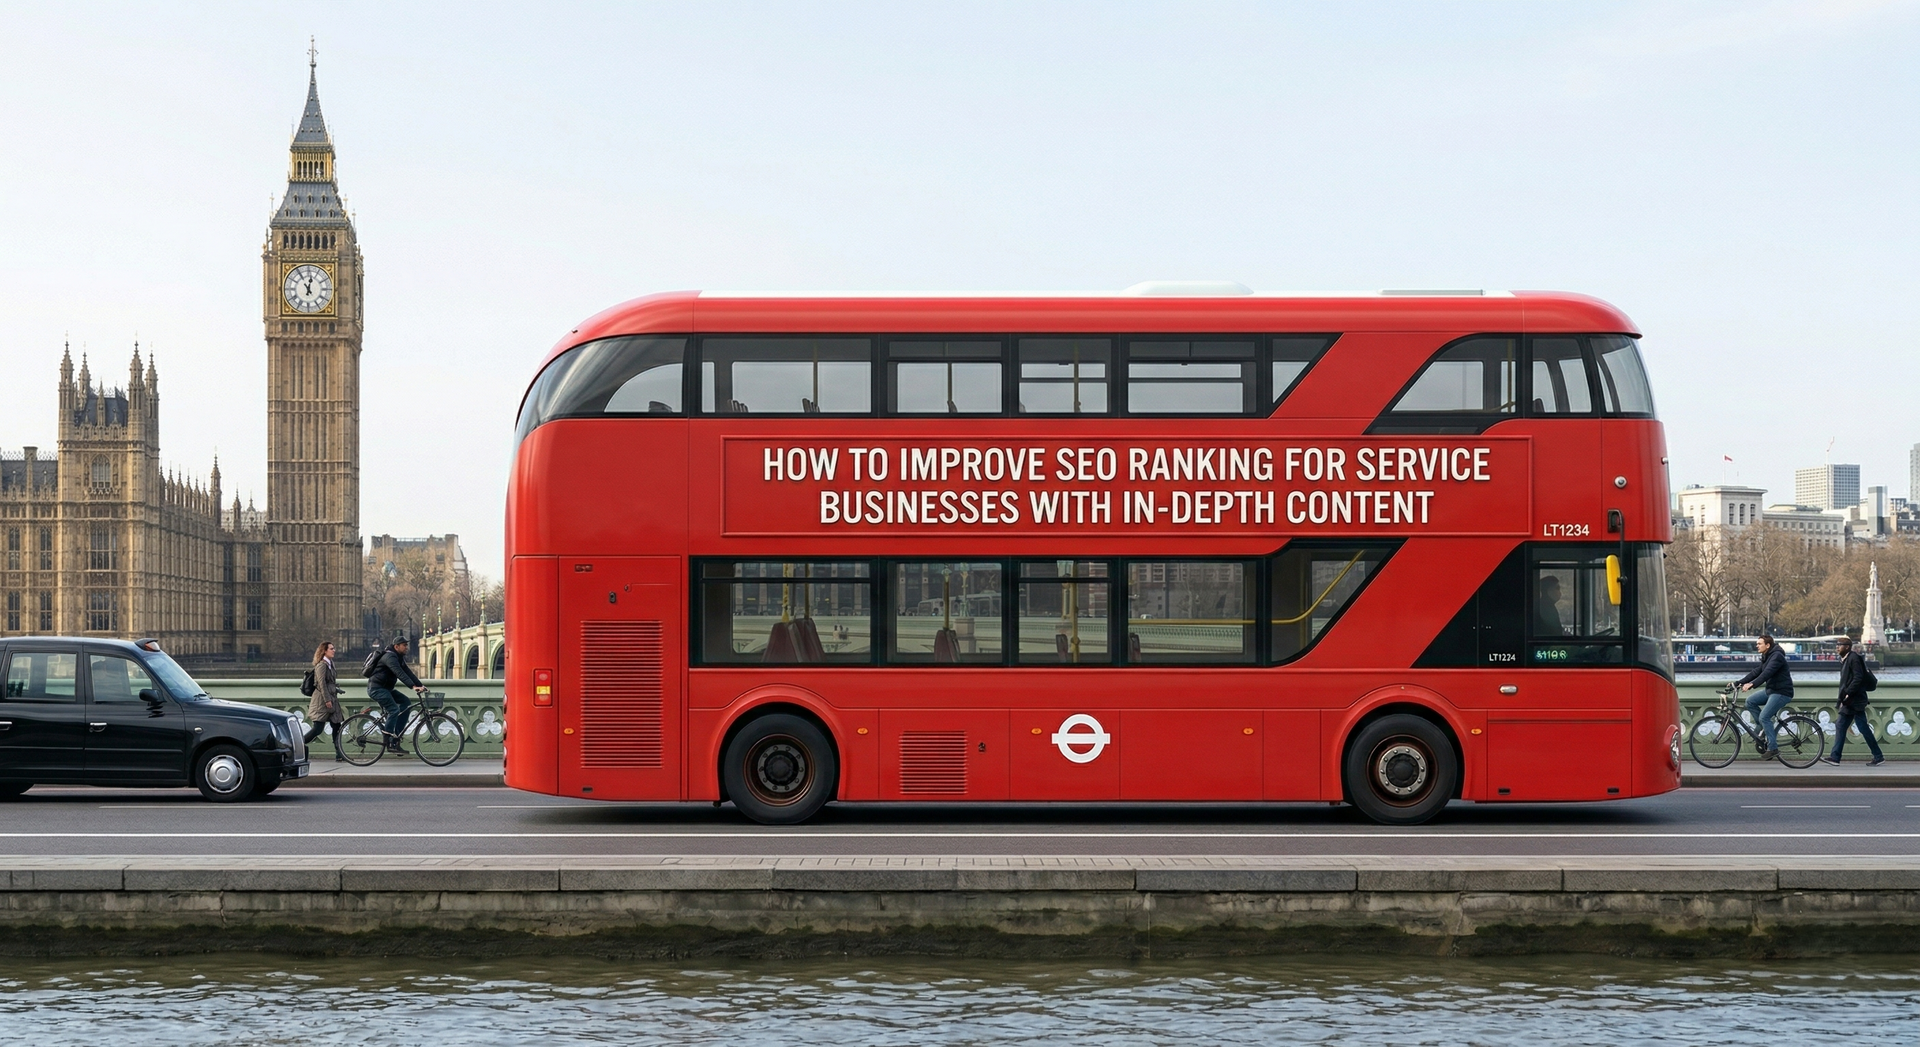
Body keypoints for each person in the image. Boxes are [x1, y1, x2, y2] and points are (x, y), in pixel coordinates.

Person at [1822, 636, 1885, 766]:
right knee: (1842, 725)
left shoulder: (1853, 658)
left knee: (1860, 727)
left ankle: (1877, 756)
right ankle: (1836, 757)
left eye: (1840, 645)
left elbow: (1858, 677)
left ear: (1847, 647)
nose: (1837, 647)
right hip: (1851, 700)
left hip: (1855, 700)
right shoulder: (1845, 659)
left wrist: (1847, 693)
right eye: (1837, 645)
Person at [367, 635, 427, 754]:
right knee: (394, 710)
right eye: (404, 645)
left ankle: (396, 737)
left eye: (407, 645)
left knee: (405, 702)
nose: (407, 647)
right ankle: (389, 741)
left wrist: (421, 685)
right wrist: (413, 686)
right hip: (377, 689)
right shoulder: (389, 657)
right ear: (396, 646)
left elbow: (408, 672)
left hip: (386, 689)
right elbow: (399, 673)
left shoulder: (398, 657)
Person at [1737, 633, 1794, 759]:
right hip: (1771, 690)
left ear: (1767, 645)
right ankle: (1763, 728)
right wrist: (1738, 682)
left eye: (1759, 644)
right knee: (1750, 701)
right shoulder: (1767, 655)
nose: (1756, 646)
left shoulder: (1776, 656)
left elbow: (1766, 674)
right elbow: (1757, 671)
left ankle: (1773, 748)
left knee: (1764, 716)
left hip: (1781, 692)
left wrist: (1751, 684)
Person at [301, 641, 345, 761]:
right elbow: (321, 684)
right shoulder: (322, 665)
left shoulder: (331, 664)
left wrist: (336, 690)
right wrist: (327, 700)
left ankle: (339, 754)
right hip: (322, 700)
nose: (334, 650)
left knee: (337, 726)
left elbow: (329, 682)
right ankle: (298, 746)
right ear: (324, 651)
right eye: (331, 648)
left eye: (333, 648)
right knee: (318, 728)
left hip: (332, 699)